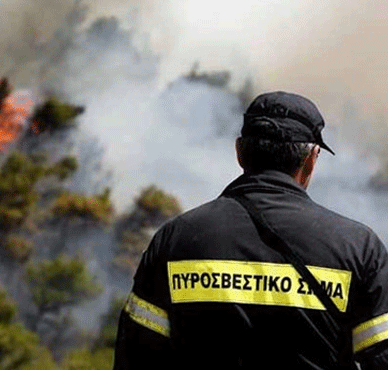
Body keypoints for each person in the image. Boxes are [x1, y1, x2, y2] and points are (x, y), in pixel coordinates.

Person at [113, 91, 388, 369]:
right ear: (311, 158)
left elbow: (135, 356)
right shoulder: (359, 248)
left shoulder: (175, 239)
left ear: (239, 152)